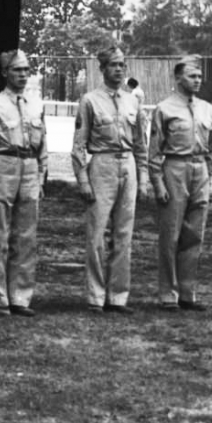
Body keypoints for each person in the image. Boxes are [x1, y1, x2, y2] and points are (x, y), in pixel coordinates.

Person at [71, 46, 149, 315]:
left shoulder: (133, 101)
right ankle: (95, 296)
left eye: (122, 65)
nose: (118, 69)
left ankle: (117, 297)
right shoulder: (90, 100)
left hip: (127, 165)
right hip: (101, 165)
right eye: (113, 65)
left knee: (124, 234)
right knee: (96, 235)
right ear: (102, 69)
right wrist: (83, 179)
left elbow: (141, 144)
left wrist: (144, 176)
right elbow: (79, 145)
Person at [0, 49, 47, 317]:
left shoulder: (37, 104)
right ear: (5, 73)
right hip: (3, 166)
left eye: (26, 70)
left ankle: (21, 297)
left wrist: (40, 177)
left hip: (28, 167)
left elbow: (44, 145)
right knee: (1, 236)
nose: (23, 75)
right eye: (17, 70)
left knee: (26, 237)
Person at [149, 55, 212, 312]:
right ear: (178, 78)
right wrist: (158, 183)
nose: (197, 80)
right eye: (192, 76)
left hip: (199, 169)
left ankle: (188, 293)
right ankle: (168, 294)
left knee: (194, 235)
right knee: (171, 234)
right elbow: (154, 152)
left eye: (200, 76)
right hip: (174, 169)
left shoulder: (207, 108)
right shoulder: (164, 109)